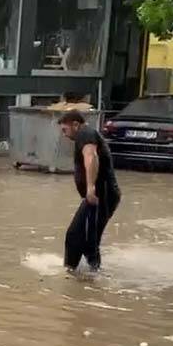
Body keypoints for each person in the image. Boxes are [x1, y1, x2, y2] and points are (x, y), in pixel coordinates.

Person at [59, 110, 121, 272]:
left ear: (75, 125)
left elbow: (91, 156)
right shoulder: (86, 134)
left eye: (65, 130)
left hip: (101, 193)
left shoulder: (85, 133)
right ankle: (88, 274)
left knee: (77, 236)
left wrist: (91, 187)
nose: (64, 135)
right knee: (86, 239)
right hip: (102, 194)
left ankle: (75, 273)